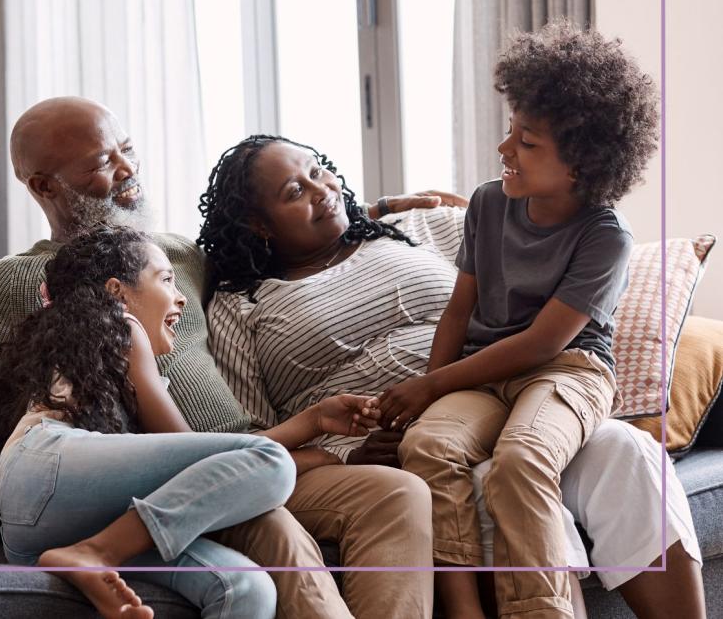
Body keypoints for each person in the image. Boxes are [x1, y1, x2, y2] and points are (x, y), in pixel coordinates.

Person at [0, 96, 446, 619]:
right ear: (45, 186)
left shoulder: (177, 256)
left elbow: (261, 229)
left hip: (240, 455)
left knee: (396, 493)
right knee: (268, 518)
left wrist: (375, 206)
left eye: (128, 151)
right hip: (137, 482)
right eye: (103, 162)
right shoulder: (8, 282)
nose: (127, 171)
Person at [197, 121, 703, 619]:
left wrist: (387, 206)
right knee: (500, 489)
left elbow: (526, 224)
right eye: (294, 191)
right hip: (411, 444)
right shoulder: (241, 304)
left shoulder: (416, 228)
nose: (321, 190)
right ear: (259, 225)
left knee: (628, 450)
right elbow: (256, 442)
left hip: (510, 396)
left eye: (319, 171)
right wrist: (344, 455)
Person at [377, 21, 658, 618]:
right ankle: (465, 609)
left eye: (526, 143)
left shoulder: (606, 235)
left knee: (520, 461)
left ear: (581, 165)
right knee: (428, 446)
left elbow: (542, 342)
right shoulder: (487, 202)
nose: (505, 149)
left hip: (567, 370)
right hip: (482, 376)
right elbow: (460, 310)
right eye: (510, 132)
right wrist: (432, 396)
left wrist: (431, 384)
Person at [0, 225, 381, 618]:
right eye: (165, 280)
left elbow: (205, 476)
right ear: (116, 292)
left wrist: (315, 425)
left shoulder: (97, 361)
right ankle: (96, 553)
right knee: (271, 462)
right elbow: (198, 453)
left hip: (38, 533)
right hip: (45, 465)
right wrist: (313, 440)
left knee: (244, 586)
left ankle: (93, 550)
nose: (180, 299)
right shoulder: (124, 327)